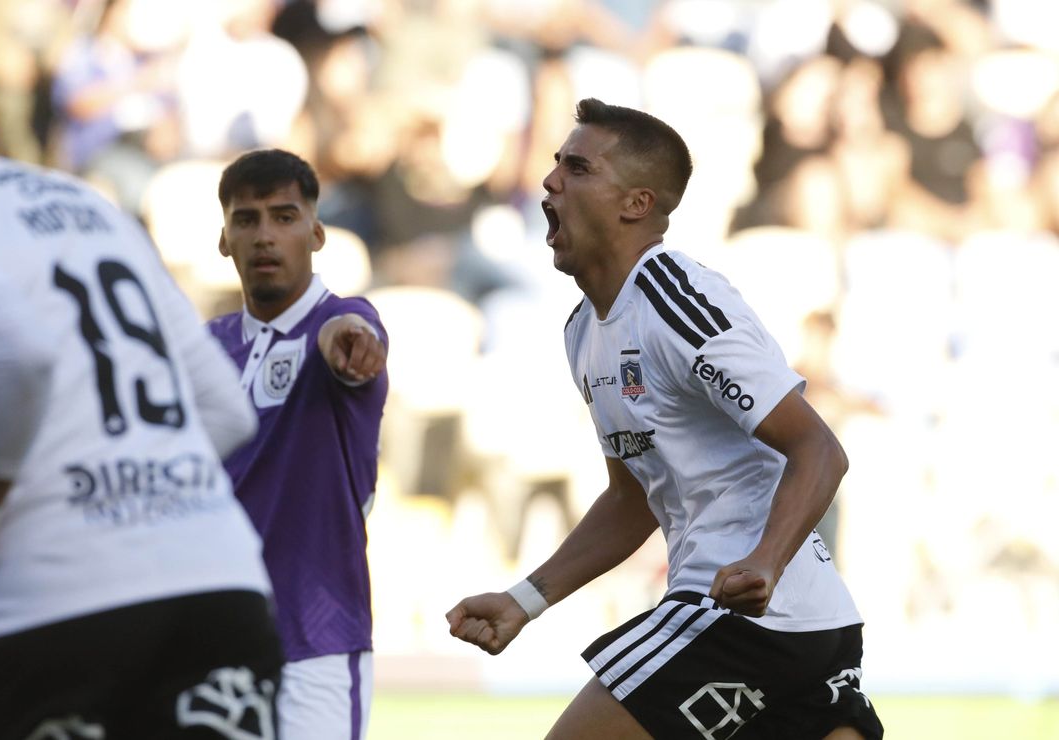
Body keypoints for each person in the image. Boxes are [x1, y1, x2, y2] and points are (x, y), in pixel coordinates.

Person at [0, 13, 282, 738]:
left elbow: (15, 357)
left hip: (56, 619)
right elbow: (225, 410)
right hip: (223, 599)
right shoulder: (89, 207)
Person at [446, 98, 884, 740]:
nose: (550, 181)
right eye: (554, 164)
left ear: (636, 203)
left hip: (750, 615)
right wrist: (526, 600)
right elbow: (632, 500)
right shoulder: (582, 332)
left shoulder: (676, 298)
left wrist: (765, 560)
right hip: (782, 622)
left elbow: (819, 448)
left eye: (577, 167)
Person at [207, 148, 389, 740]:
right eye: (247, 220)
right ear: (224, 240)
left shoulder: (341, 322)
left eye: (284, 218)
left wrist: (350, 341)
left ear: (316, 234)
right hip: (213, 642)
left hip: (315, 642)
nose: (265, 236)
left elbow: (353, 333)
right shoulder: (202, 350)